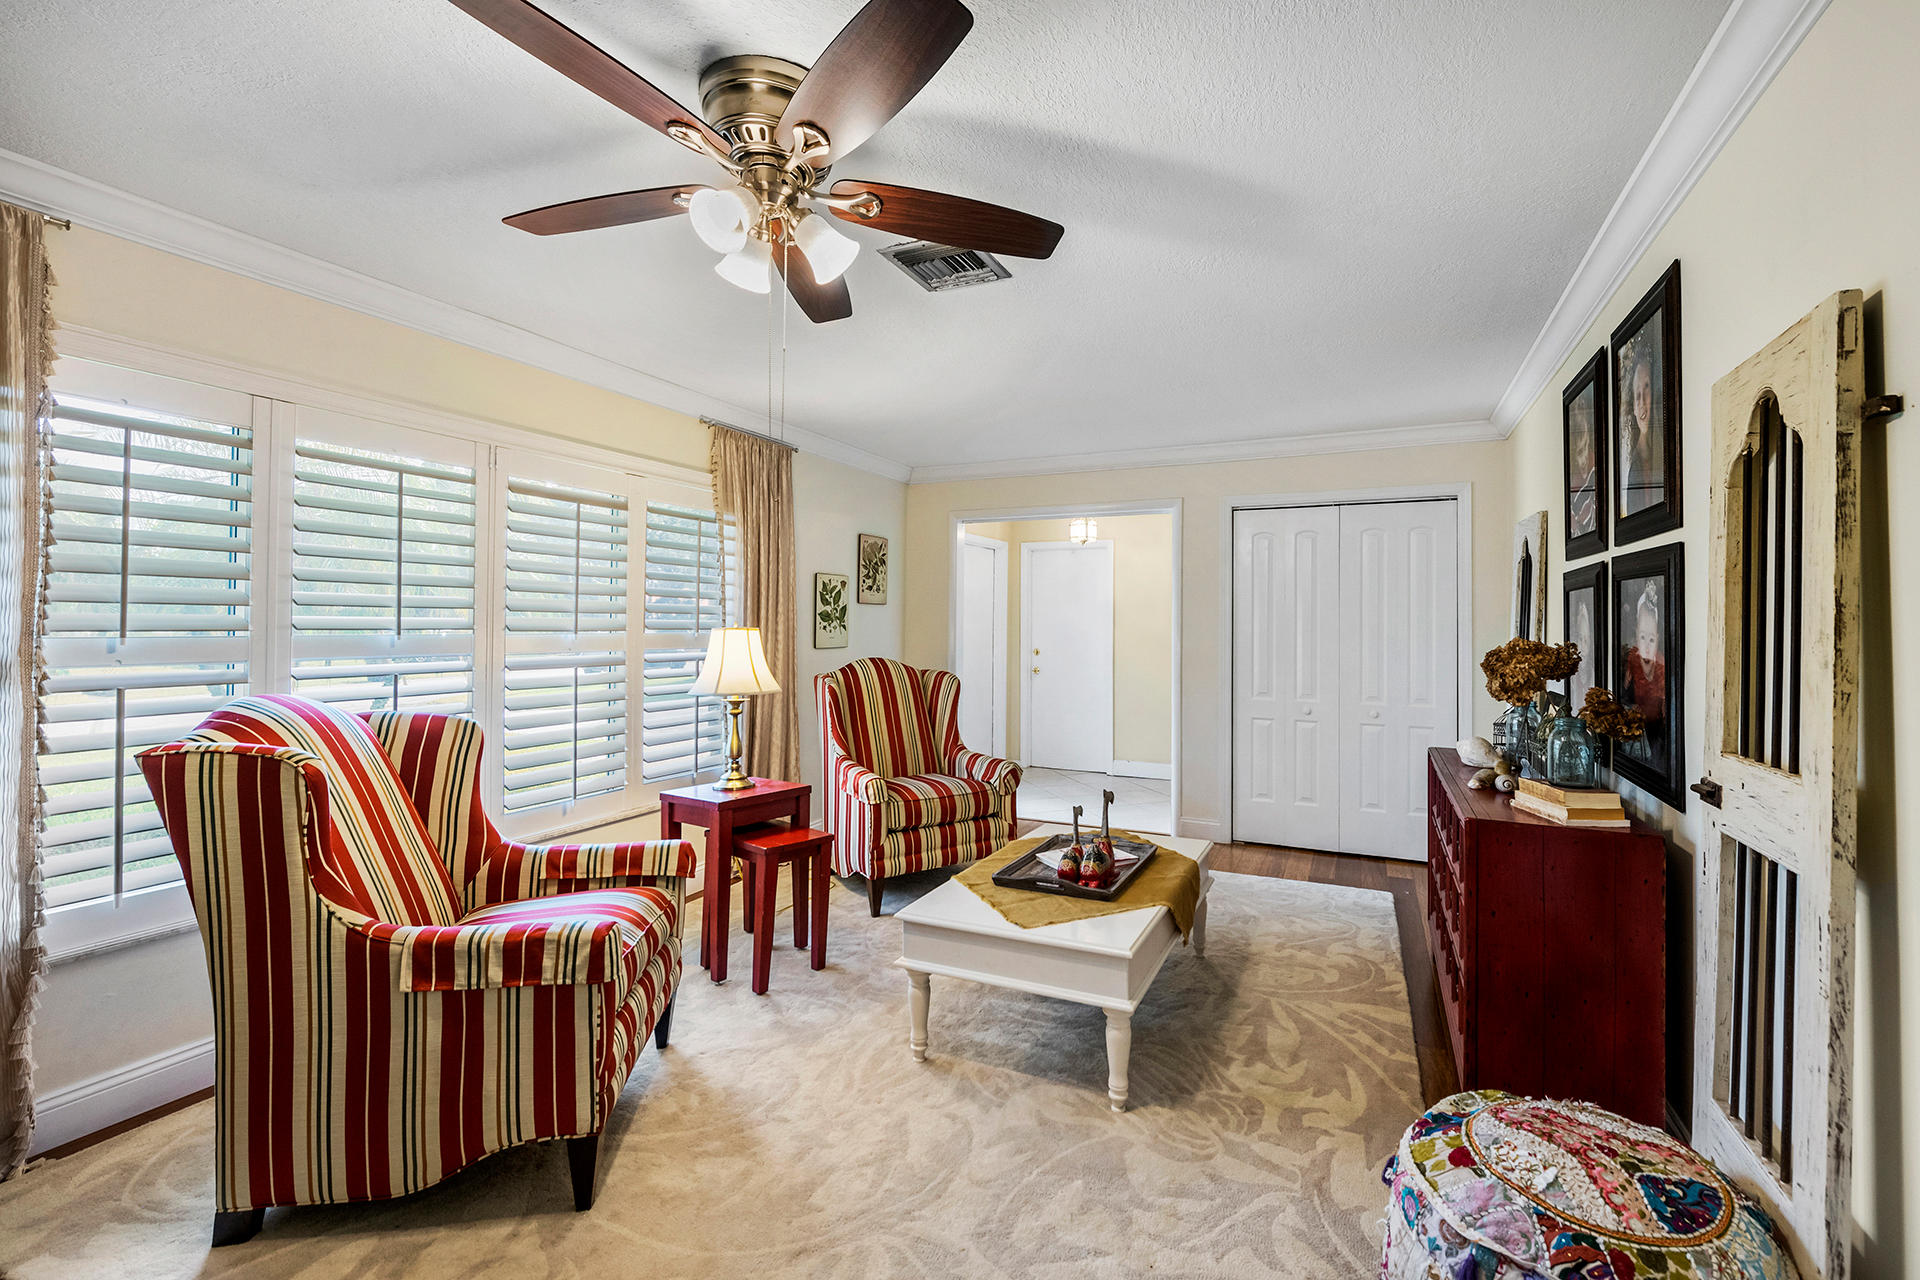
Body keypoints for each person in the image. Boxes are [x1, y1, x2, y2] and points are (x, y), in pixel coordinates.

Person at [1618, 334, 1663, 516]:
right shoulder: (1634, 469)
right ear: (1633, 409)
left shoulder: (1663, 454)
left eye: (1647, 387)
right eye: (1637, 395)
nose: (1643, 402)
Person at [1620, 581, 1666, 761]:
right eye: (1642, 637)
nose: (1646, 645)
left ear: (1658, 639)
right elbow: (1623, 698)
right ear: (1636, 634)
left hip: (1656, 740)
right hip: (1636, 739)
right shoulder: (1631, 664)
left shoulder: (1662, 669)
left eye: (1652, 640)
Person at [1568, 393, 1598, 536]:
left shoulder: (1596, 471)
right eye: (1574, 437)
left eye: (1581, 434)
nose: (1578, 442)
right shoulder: (1571, 482)